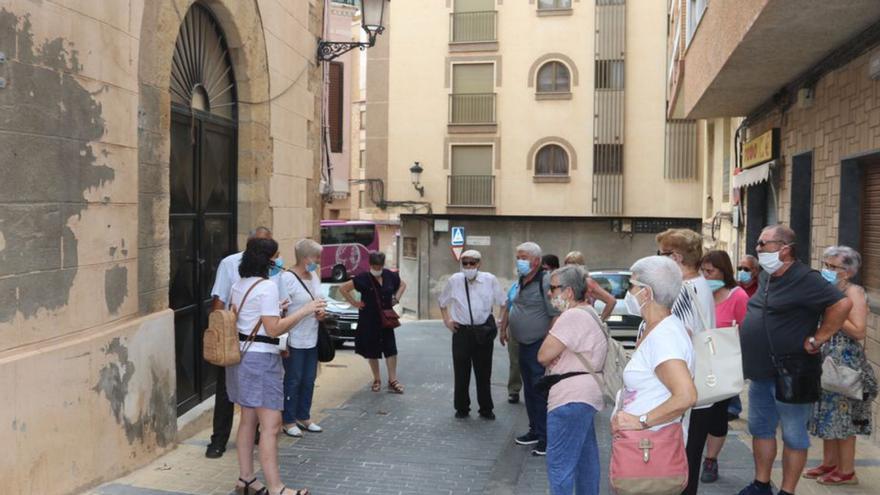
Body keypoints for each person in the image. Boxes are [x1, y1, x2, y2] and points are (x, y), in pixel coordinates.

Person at [736, 225, 852, 495]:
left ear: (784, 249)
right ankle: (761, 484)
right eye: (758, 243)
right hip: (761, 370)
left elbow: (842, 304)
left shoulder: (807, 278)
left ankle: (787, 491)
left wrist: (819, 338)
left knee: (793, 434)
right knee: (760, 429)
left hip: (793, 371)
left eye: (764, 244)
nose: (758, 248)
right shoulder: (767, 275)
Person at [226, 237, 318, 495]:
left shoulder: (239, 284)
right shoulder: (266, 287)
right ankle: (276, 488)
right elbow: (274, 328)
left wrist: (276, 308)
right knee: (272, 425)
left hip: (242, 358)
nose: (279, 261)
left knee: (248, 421)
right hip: (261, 361)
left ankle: (246, 480)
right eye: (276, 256)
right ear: (266, 259)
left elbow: (249, 319)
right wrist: (305, 310)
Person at [805, 246, 877, 485]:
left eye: (832, 266)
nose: (825, 270)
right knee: (827, 413)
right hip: (825, 358)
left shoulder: (854, 292)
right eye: (824, 264)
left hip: (845, 363)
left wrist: (836, 314)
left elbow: (859, 330)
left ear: (847, 272)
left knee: (843, 415)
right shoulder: (829, 290)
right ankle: (830, 463)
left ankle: (847, 471)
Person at [611, 255, 696, 456]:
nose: (628, 293)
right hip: (643, 448)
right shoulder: (656, 328)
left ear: (646, 293)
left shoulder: (665, 337)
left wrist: (641, 421)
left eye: (632, 286)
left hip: (650, 450)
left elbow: (686, 396)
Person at [654, 228, 716, 495]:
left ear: (676, 257)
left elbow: (677, 336)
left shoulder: (683, 291)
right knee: (690, 457)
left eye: (661, 254)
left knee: (679, 461)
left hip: (683, 388)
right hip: (700, 386)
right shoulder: (701, 284)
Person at [538, 265, 608, 495]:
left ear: (568, 291)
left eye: (553, 288)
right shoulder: (588, 312)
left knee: (560, 465)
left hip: (569, 398)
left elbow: (543, 355)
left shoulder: (572, 316)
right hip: (585, 396)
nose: (549, 293)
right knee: (585, 461)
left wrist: (554, 353)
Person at [206, 226, 273, 459]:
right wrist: (218, 335)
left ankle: (255, 432)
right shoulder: (230, 264)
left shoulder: (274, 267)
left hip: (263, 341)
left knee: (258, 390)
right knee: (226, 391)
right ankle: (218, 440)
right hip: (234, 338)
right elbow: (219, 300)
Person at [698, 250, 750, 484]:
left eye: (710, 271)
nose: (705, 276)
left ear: (723, 271)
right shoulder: (698, 294)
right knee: (697, 414)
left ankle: (711, 459)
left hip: (723, 366)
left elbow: (746, 331)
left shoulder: (738, 296)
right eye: (702, 271)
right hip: (698, 363)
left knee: (717, 415)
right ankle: (690, 456)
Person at [506, 241, 561, 456]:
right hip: (523, 344)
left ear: (536, 261)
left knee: (540, 392)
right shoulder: (523, 279)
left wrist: (548, 343)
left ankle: (546, 438)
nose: (519, 261)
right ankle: (535, 430)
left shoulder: (545, 282)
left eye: (523, 258)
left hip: (538, 345)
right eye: (518, 257)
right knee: (529, 390)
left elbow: (555, 314)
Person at [439, 250, 506, 419]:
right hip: (461, 332)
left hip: (483, 332)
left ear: (479, 263)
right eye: (465, 263)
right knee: (461, 372)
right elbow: (442, 302)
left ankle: (486, 409)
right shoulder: (455, 280)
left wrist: (499, 321)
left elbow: (503, 302)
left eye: (472, 263)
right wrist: (447, 321)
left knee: (484, 373)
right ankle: (461, 408)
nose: (468, 266)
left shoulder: (490, 280)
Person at [340, 252, 407, 393]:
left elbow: (402, 285)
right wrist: (354, 303)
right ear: (370, 265)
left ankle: (393, 380)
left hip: (386, 319)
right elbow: (343, 288)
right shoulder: (363, 278)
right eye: (375, 266)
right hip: (369, 319)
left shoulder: (389, 275)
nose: (378, 269)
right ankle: (377, 379)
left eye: (380, 266)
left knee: (391, 349)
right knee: (372, 351)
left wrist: (396, 298)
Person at [279, 239, 327, 438]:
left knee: (309, 379)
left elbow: (318, 300)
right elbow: (280, 310)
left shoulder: (313, 275)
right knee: (293, 380)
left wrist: (321, 313)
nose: (319, 261)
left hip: (312, 336)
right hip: (294, 338)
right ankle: (288, 420)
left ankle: (304, 416)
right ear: (306, 258)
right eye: (317, 257)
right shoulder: (286, 279)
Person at [728, 255, 759, 421]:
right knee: (732, 371)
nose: (742, 272)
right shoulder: (734, 288)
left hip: (754, 335)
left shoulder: (761, 288)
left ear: (755, 271)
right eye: (739, 268)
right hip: (735, 335)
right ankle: (733, 407)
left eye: (746, 269)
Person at [563, 251, 616, 322]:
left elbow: (611, 301)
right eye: (567, 264)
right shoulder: (565, 282)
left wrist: (600, 321)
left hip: (584, 323)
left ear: (580, 266)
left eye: (572, 264)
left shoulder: (586, 282)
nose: (569, 268)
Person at [499, 278, 522, 404]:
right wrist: (503, 330)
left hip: (534, 332)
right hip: (514, 331)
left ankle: (535, 390)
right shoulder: (514, 287)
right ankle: (514, 390)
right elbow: (507, 309)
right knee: (514, 361)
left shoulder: (538, 286)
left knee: (533, 363)